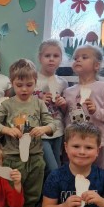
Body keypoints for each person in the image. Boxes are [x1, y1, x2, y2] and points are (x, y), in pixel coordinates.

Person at [0, 59, 55, 207]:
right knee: (10, 192)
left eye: (29, 85)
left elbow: (52, 124)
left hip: (35, 157)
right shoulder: (7, 104)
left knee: (33, 192)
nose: (24, 89)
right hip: (12, 158)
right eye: (19, 85)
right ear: (12, 83)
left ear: (35, 83)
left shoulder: (39, 104)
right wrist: (7, 130)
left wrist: (44, 128)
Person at [62, 44, 104, 168]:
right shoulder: (68, 91)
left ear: (96, 65)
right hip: (73, 142)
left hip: (95, 143)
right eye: (76, 58)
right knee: (71, 173)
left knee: (95, 174)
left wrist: (96, 111)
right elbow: (66, 117)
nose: (78, 60)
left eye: (84, 57)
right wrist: (62, 106)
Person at [35, 39, 68, 173]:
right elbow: (24, 103)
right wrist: (40, 100)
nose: (51, 59)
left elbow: (65, 111)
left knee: (57, 164)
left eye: (56, 56)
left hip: (58, 129)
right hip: (40, 130)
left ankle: (52, 186)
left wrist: (63, 104)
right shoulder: (33, 79)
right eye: (47, 55)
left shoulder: (62, 82)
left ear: (61, 59)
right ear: (40, 58)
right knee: (52, 167)